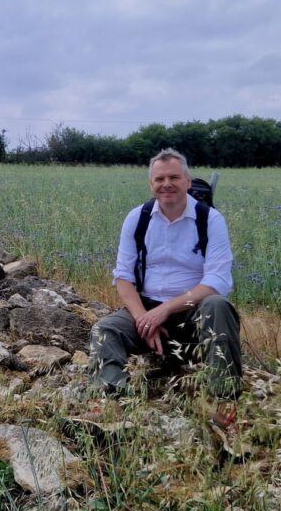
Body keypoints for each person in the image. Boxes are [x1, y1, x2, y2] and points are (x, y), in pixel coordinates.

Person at [90, 148, 242, 429]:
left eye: (174, 177)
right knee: (105, 329)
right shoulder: (138, 218)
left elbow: (218, 281)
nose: (166, 184)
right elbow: (123, 277)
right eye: (159, 179)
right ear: (151, 184)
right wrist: (144, 319)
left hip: (194, 312)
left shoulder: (210, 220)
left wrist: (164, 311)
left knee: (218, 305)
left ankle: (224, 403)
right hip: (146, 307)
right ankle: (113, 406)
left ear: (187, 180)